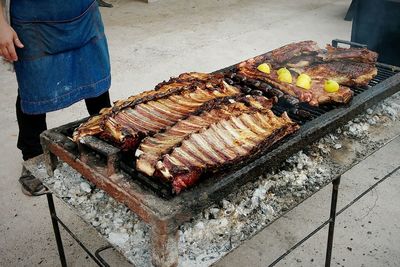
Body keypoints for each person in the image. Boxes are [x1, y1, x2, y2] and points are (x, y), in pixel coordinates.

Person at [0, 0, 112, 196]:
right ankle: (33, 157)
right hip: (32, 20)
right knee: (34, 88)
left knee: (95, 80)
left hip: (83, 11)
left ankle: (109, 142)